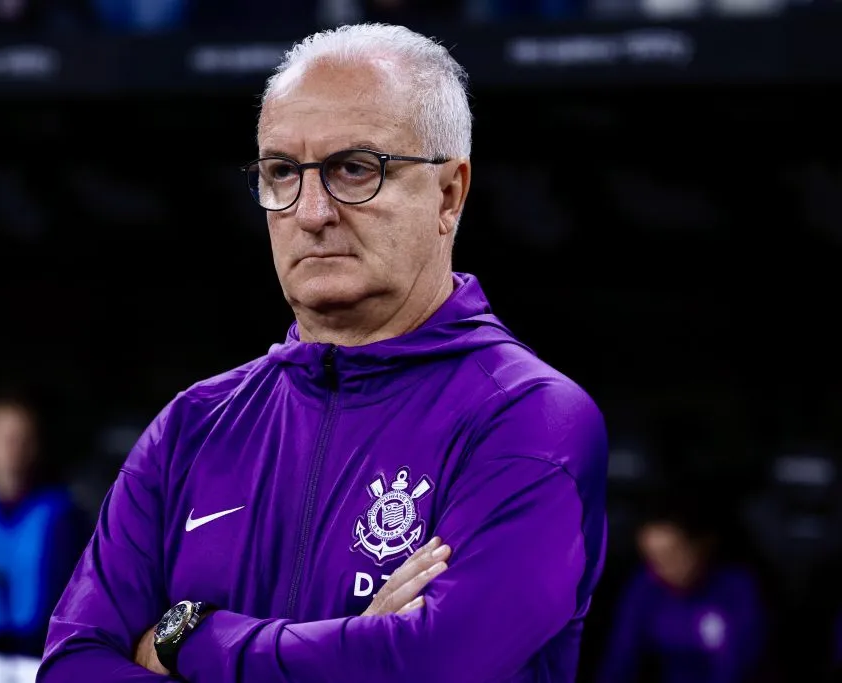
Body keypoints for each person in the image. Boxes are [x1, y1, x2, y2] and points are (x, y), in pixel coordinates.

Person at [39, 22, 608, 683]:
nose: (311, 212)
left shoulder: (530, 417)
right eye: (282, 172)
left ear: (449, 193)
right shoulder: (192, 425)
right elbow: (72, 666)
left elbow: (430, 665)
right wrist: (353, 652)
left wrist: (188, 637)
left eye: (355, 168)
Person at [0, 393, 84, 657]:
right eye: (5, 438)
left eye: (25, 439)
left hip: (36, 652)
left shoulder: (61, 515)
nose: (14, 449)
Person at [597, 493, 769, 683]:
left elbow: (741, 664)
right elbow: (620, 660)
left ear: (703, 544)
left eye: (672, 556)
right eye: (652, 559)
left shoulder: (737, 588)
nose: (661, 569)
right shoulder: (644, 587)